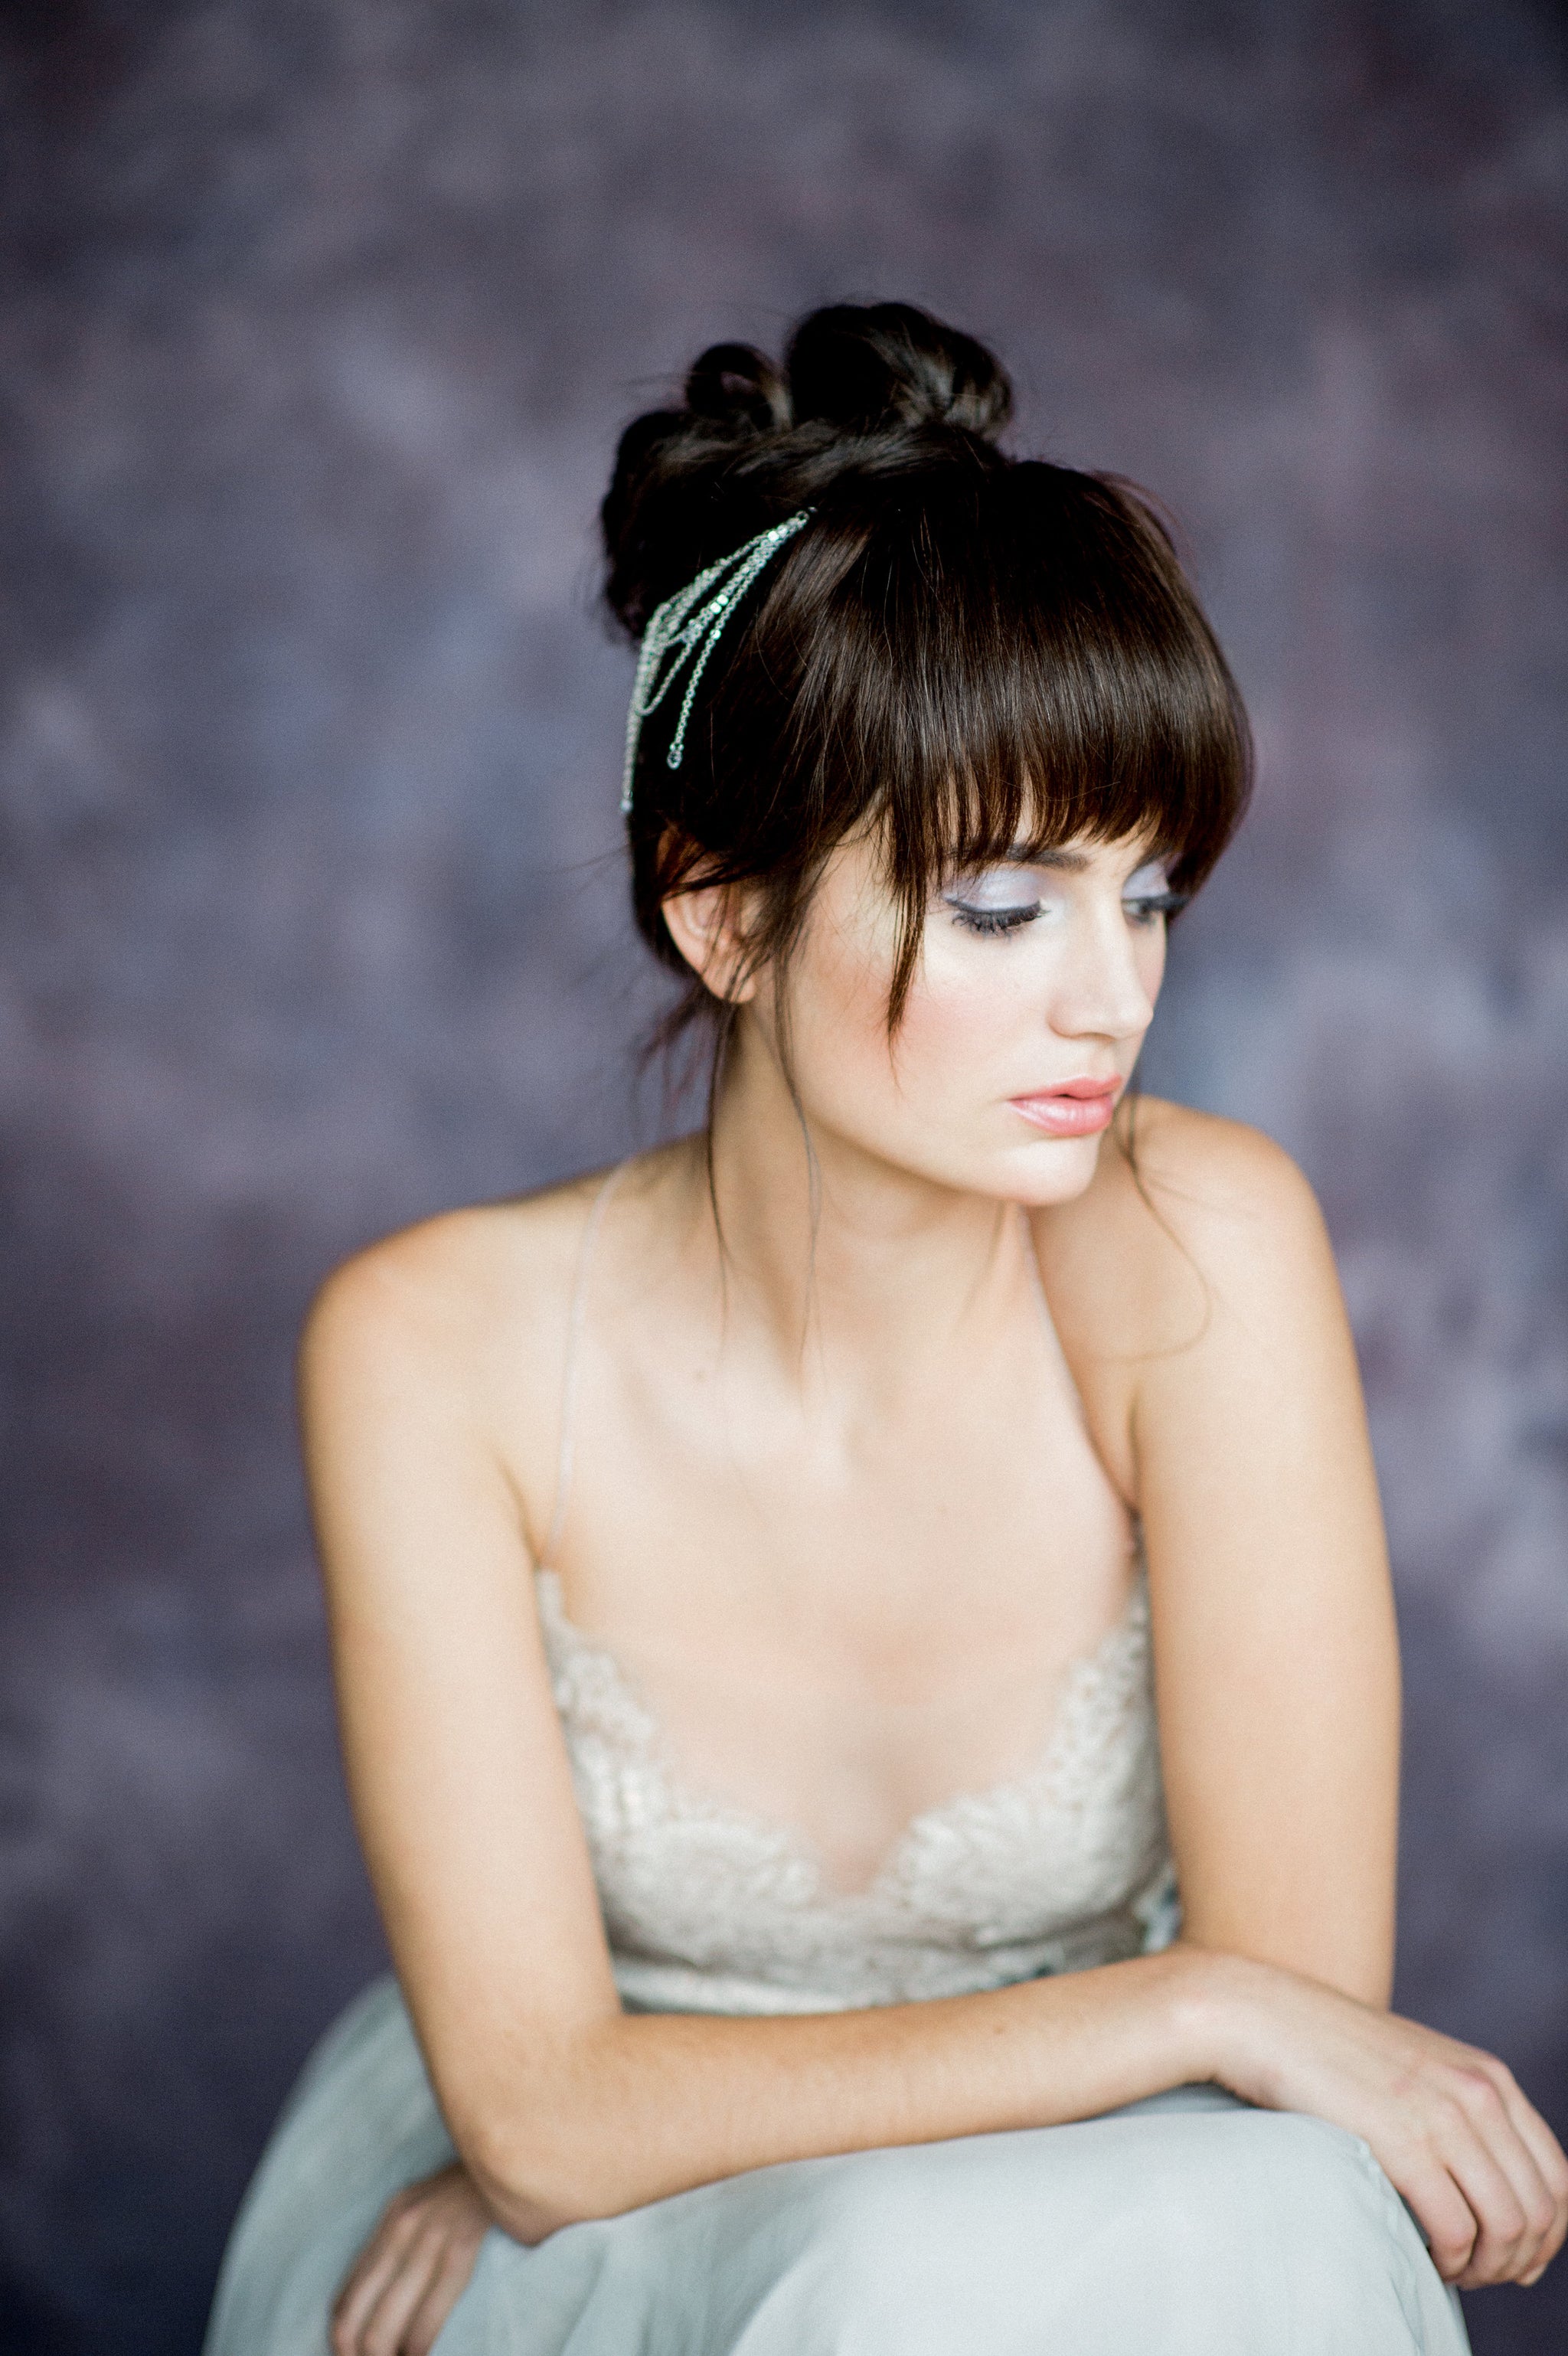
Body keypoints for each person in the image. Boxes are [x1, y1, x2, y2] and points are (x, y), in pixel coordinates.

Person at [204, 301, 1566, 2356]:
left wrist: (1242, 2009)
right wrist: (1201, 1994)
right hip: (608, 2232)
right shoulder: (431, 1349)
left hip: (1104, 2199)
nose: (1110, 998)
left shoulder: (1204, 1247)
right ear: (721, 911)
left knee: (1182, 2240)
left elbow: (1306, 2028)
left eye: (1153, 898)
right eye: (1009, 909)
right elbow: (554, 2124)